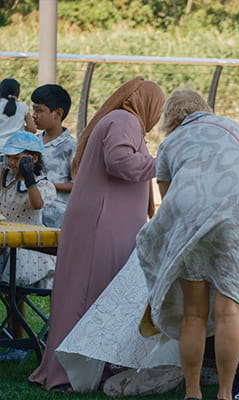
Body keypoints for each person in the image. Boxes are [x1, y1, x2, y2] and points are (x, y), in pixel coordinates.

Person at [136, 89, 239, 400]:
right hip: (237, 215)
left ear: (171, 119)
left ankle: (193, 393)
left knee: (194, 313)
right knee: (229, 312)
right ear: (206, 109)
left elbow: (170, 199)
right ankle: (226, 394)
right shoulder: (231, 128)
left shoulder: (170, 143)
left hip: (191, 217)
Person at [29, 76, 165, 391]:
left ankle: (82, 369)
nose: (157, 115)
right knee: (87, 297)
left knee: (89, 295)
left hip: (102, 222)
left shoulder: (120, 120)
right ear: (145, 103)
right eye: (157, 106)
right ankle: (67, 374)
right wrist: (164, 163)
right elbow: (120, 163)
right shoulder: (125, 120)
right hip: (101, 224)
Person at [0, 131, 56, 361]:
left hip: (31, 251)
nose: (11, 162)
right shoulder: (6, 177)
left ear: (32, 158)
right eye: (8, 157)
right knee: (9, 287)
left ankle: (19, 341)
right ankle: (14, 338)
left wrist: (28, 176)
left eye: (16, 158)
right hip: (7, 245)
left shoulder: (42, 185)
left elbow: (37, 204)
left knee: (14, 288)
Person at [30, 84, 76, 228]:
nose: (34, 115)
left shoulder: (72, 147)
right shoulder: (31, 142)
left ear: (58, 113)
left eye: (39, 110)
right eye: (33, 109)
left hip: (56, 217)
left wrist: (44, 185)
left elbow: (77, 185)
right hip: (30, 211)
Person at [0, 78, 36, 146]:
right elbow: (32, 129)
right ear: (17, 92)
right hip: (17, 150)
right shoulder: (23, 106)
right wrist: (19, 128)